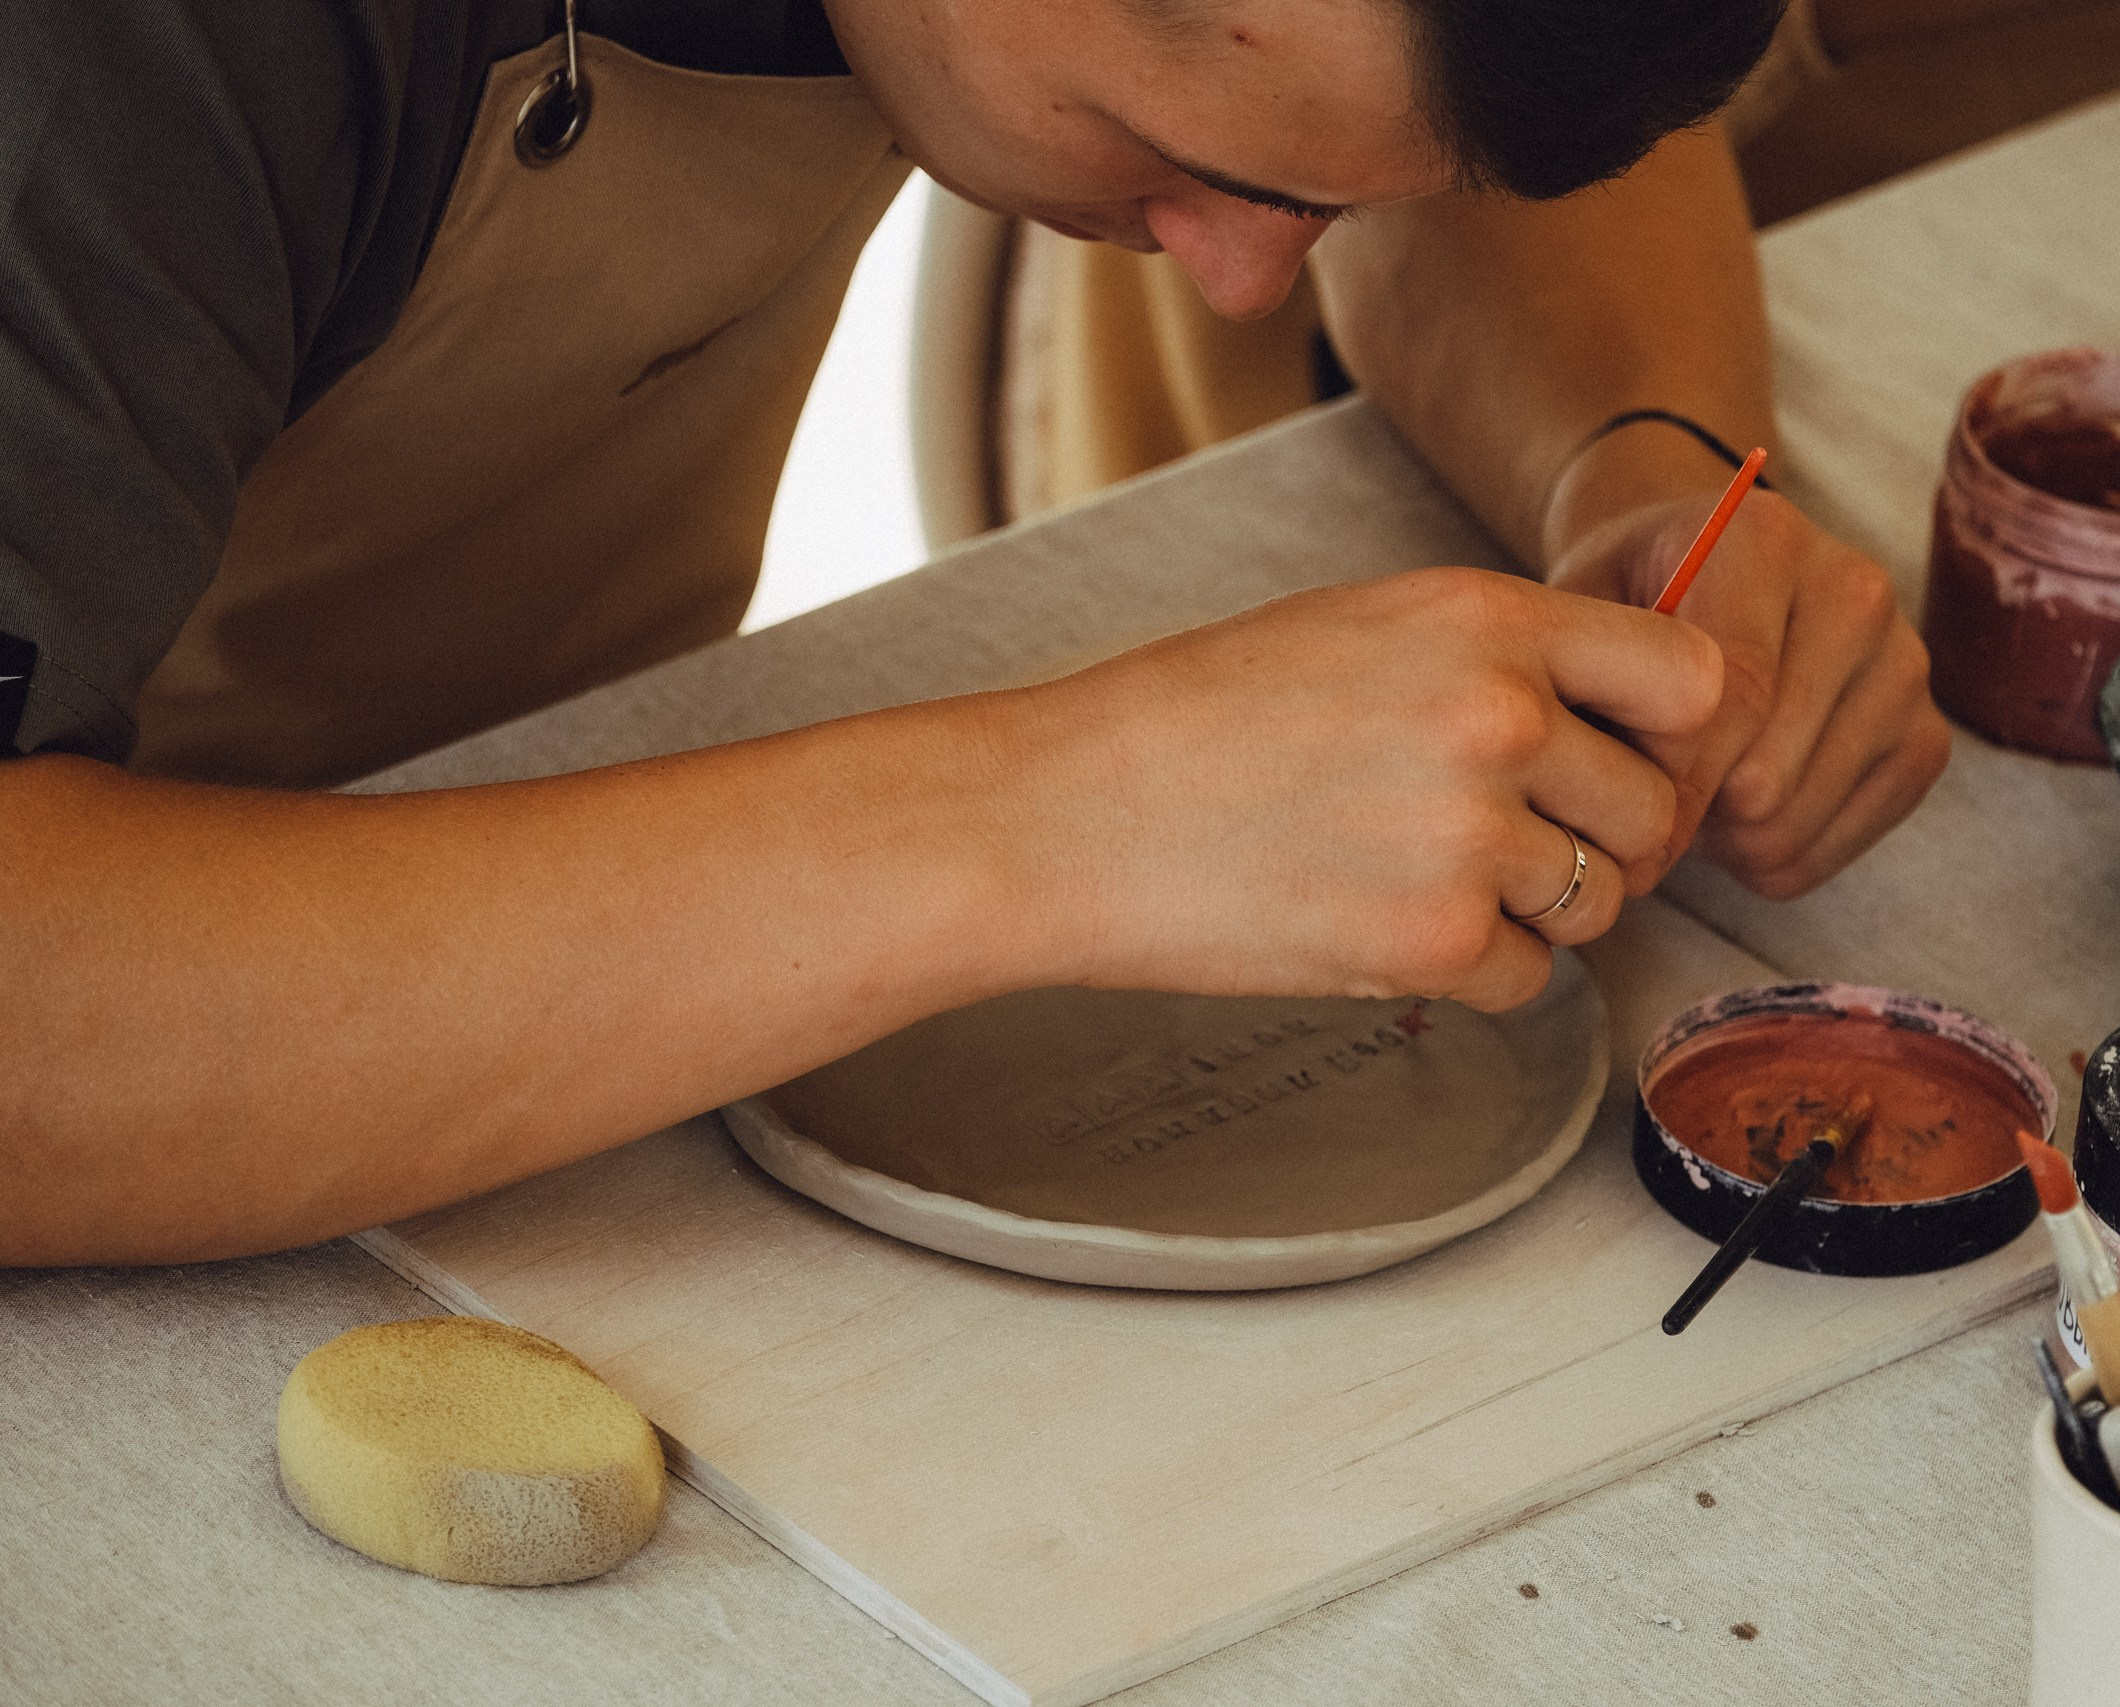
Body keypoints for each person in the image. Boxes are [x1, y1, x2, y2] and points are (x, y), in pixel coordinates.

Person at [0, 0, 1947, 1267]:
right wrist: (1053, 813)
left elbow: (1389, 105)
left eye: (1305, 197)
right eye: (1183, 163)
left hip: (581, 931)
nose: (1253, 275)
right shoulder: (130, 64)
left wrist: (1638, 457)